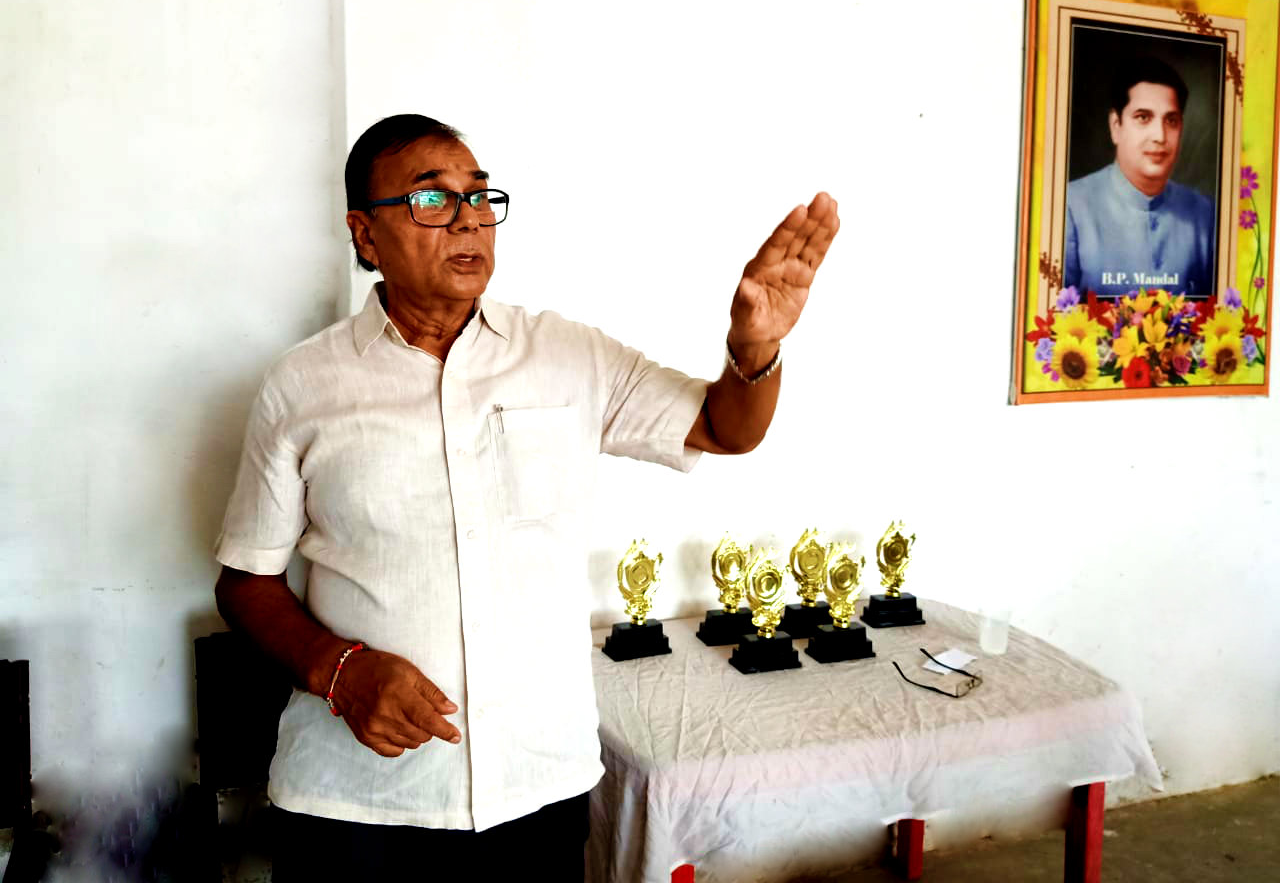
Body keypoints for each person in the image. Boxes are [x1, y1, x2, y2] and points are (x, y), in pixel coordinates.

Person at [213, 114, 839, 880]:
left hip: (537, 795)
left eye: (480, 197)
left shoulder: (568, 355)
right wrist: (338, 670)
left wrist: (754, 351)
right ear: (365, 236)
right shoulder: (302, 386)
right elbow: (246, 580)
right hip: (357, 805)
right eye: (430, 200)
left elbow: (722, 426)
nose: (469, 219)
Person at [1064, 55, 1216, 299]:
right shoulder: (1070, 207)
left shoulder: (1206, 215)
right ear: (1116, 126)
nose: (1160, 135)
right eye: (1143, 118)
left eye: (1171, 120)